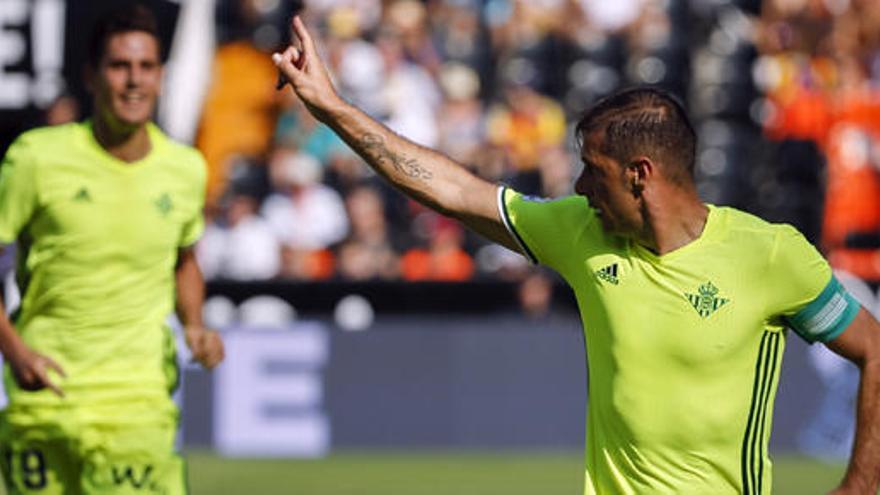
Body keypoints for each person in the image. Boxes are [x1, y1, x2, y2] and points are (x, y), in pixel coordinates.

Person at [273, 16, 880, 494]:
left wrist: (860, 484)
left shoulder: (768, 255)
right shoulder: (581, 231)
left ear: (641, 174)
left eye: (595, 172)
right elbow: (451, 189)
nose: (581, 188)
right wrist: (334, 109)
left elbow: (875, 350)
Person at [0, 5, 224, 494]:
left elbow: (185, 261)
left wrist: (195, 324)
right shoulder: (35, 159)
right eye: (119, 66)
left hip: (136, 405)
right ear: (92, 75)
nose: (133, 81)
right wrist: (14, 351)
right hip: (44, 397)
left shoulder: (185, 170)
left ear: (162, 76)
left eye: (146, 67)